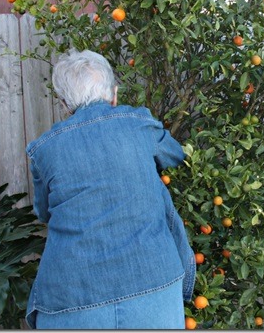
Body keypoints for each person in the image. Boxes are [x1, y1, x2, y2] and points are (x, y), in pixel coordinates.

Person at [24, 49, 195, 329]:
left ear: (65, 104)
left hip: (71, 295)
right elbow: (175, 155)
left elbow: (44, 212)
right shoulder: (138, 123)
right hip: (153, 280)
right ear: (114, 94)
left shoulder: (44, 149)